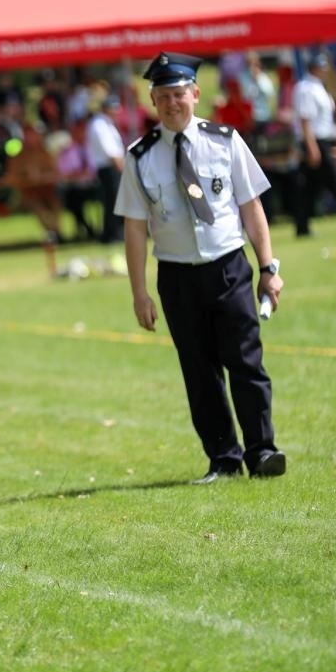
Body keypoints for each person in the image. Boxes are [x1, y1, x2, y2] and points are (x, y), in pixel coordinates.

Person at [114, 52, 286, 484]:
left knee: (246, 361)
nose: (173, 104)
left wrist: (268, 266)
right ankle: (223, 460)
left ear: (195, 93)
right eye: (163, 96)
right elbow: (135, 229)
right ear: (153, 102)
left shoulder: (225, 141)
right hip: (176, 275)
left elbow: (251, 207)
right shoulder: (140, 157)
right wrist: (139, 292)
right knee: (198, 368)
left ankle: (262, 451)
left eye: (179, 94)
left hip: (228, 266)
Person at [292, 49, 336, 237]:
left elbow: (326, 121)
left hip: (322, 141)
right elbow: (306, 121)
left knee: (309, 188)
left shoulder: (318, 87)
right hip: (315, 143)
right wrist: (313, 148)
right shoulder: (306, 88)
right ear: (314, 68)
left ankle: (302, 227)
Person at [87, 93, 125, 243]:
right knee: (114, 201)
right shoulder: (100, 125)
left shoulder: (104, 123)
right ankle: (113, 234)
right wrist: (124, 170)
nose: (116, 111)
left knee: (112, 201)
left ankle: (111, 233)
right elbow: (111, 152)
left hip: (111, 168)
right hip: (109, 168)